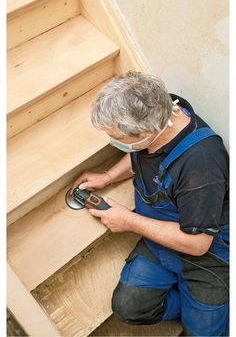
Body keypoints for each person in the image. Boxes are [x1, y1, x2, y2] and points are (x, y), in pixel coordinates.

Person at [72, 71, 229, 336]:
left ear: (146, 132)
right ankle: (189, 303)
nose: (115, 142)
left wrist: (128, 220)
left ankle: (209, 310)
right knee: (128, 308)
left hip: (206, 254)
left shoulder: (201, 166)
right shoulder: (160, 108)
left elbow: (197, 244)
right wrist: (109, 176)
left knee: (204, 333)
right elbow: (141, 153)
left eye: (118, 139)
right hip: (162, 240)